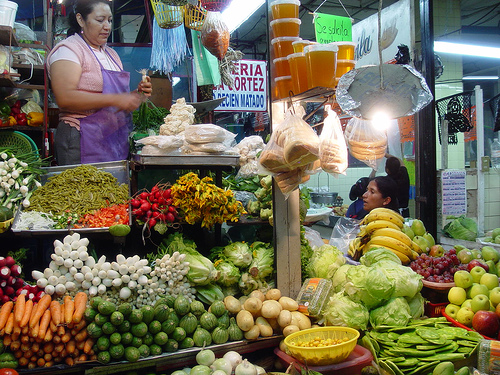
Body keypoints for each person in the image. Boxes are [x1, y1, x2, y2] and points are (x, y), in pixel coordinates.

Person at [47, 0, 152, 165]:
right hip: (80, 138)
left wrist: (137, 94)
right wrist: (116, 99)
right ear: (81, 19)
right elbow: (65, 98)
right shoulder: (68, 50)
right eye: (100, 20)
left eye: (110, 20)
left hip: (111, 141)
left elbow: (118, 100)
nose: (107, 26)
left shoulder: (112, 55)